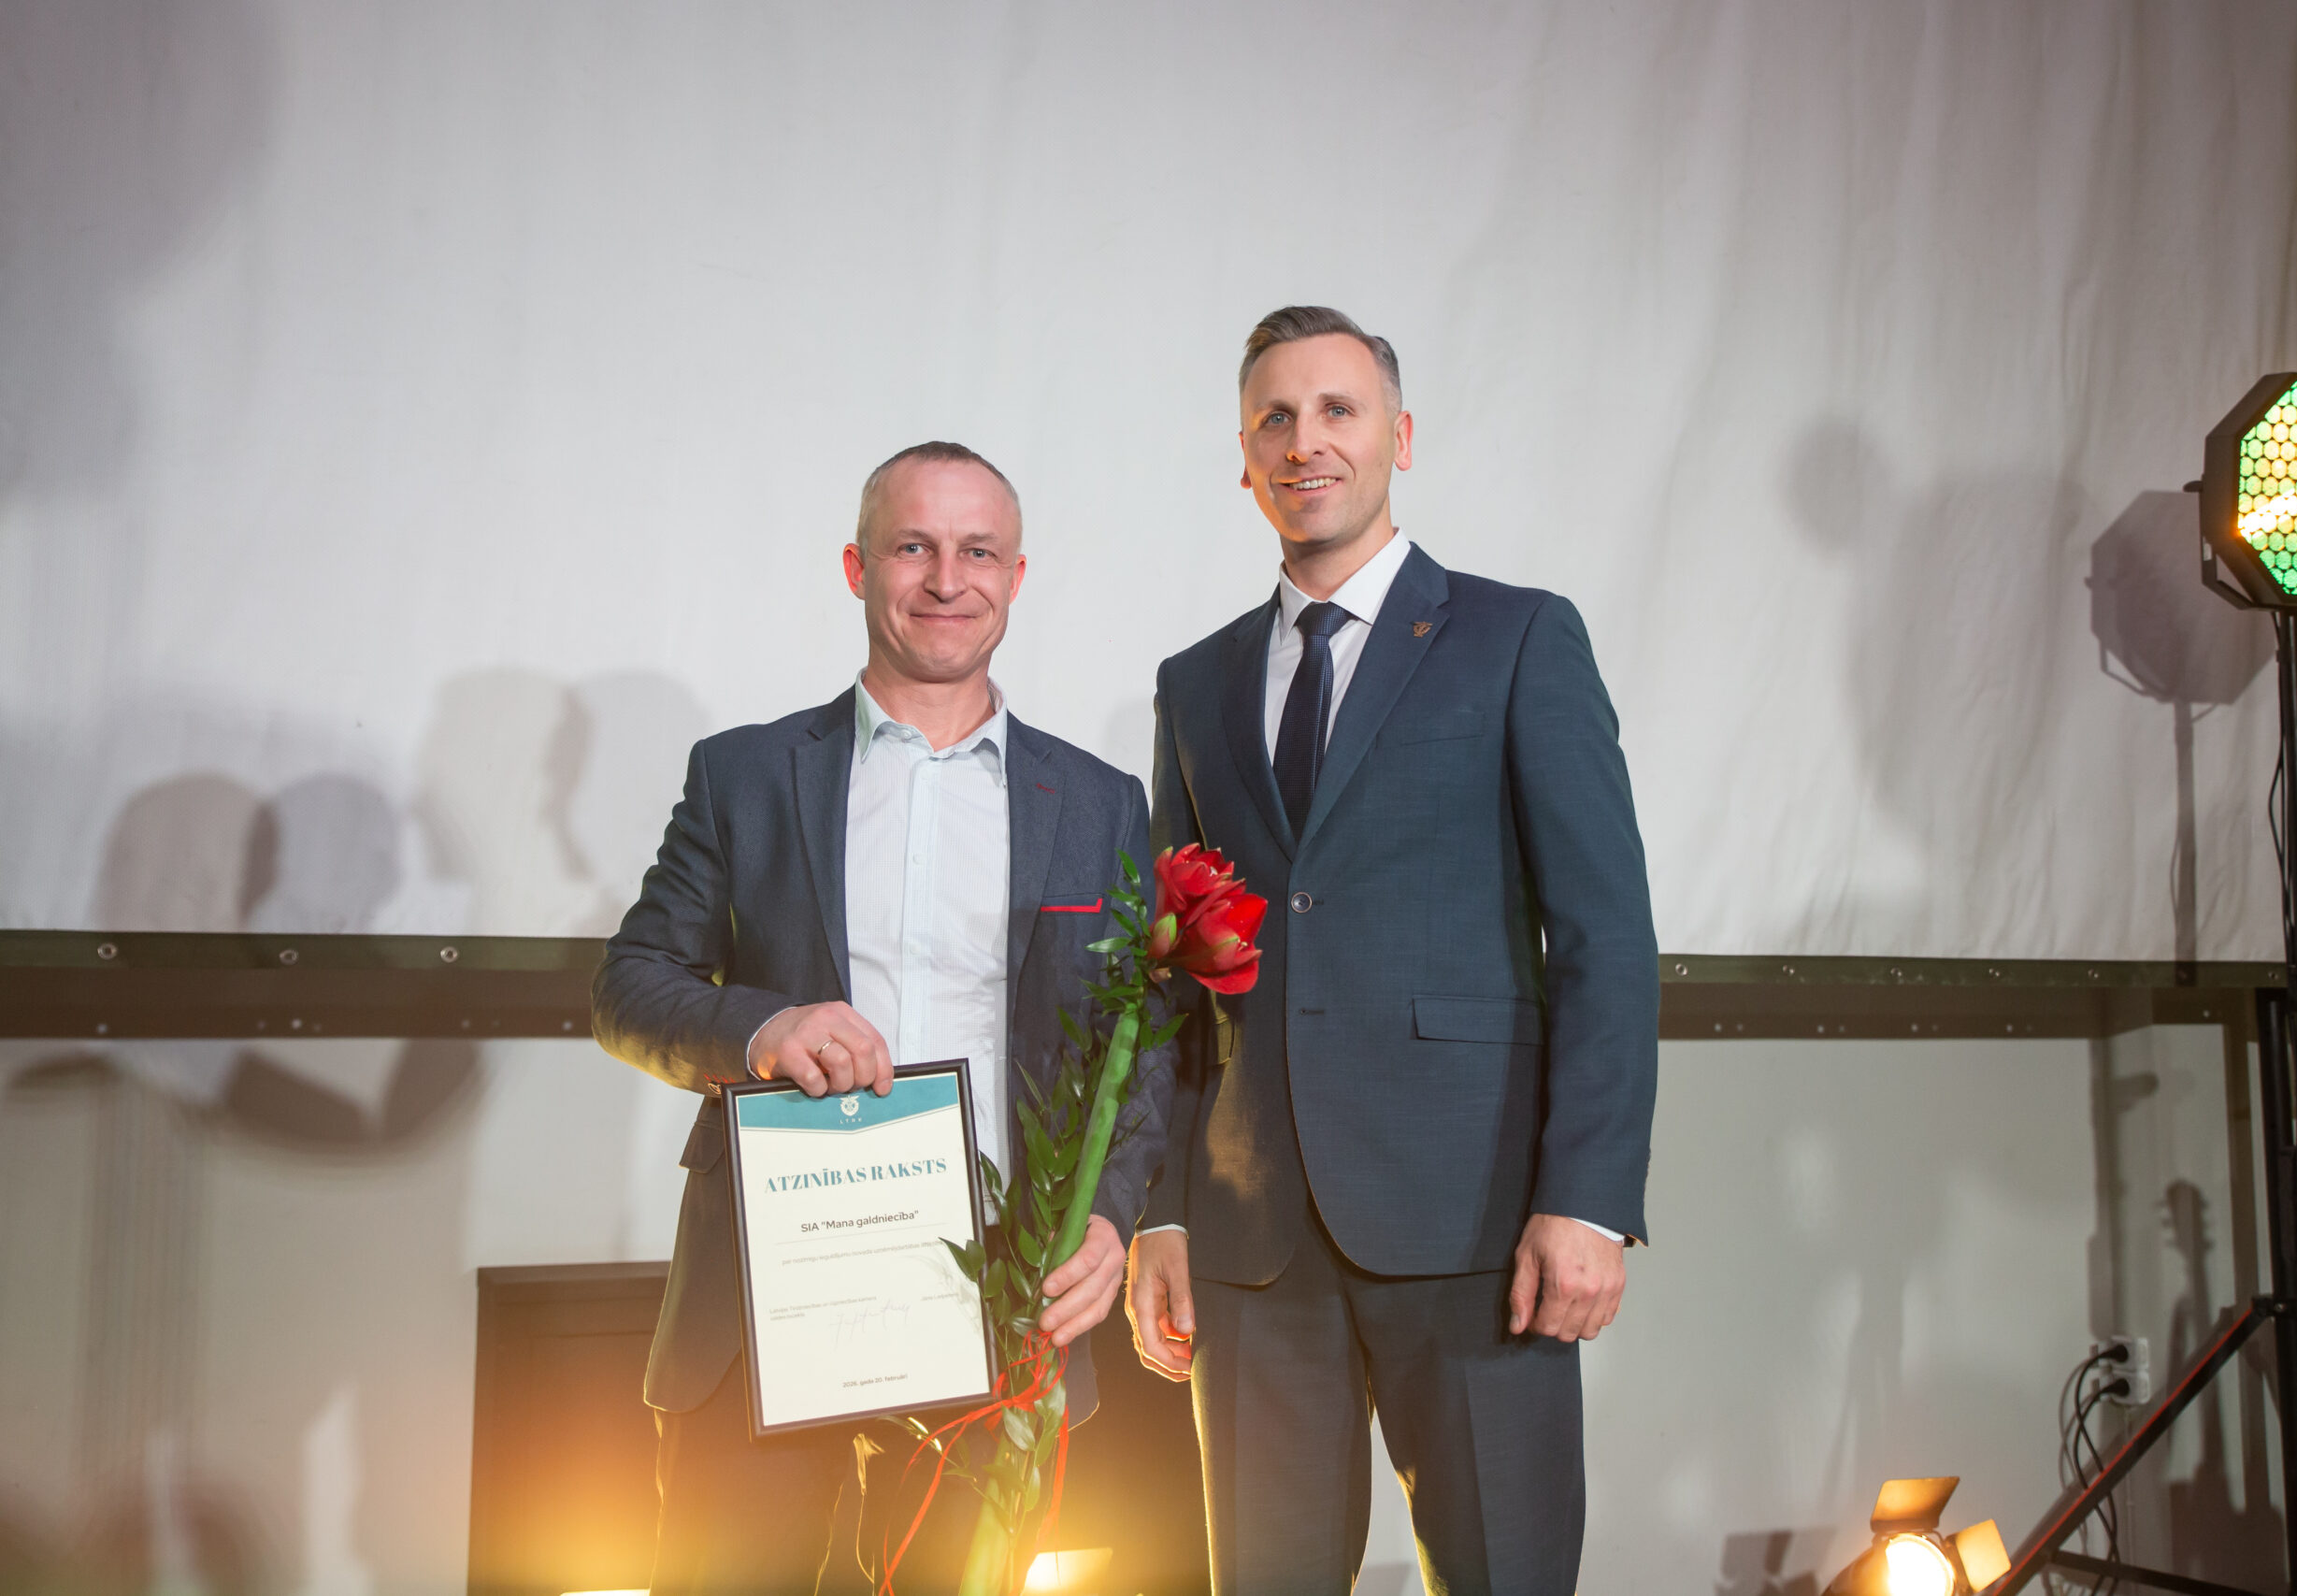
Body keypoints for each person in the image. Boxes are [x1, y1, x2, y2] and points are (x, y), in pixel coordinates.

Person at [1127, 308, 1658, 1595]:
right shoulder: (1194, 683)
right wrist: (1159, 1209)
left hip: (1475, 1223)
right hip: (1251, 1238)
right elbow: (1171, 976)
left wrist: (1588, 1196)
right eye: (1274, 418)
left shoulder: (1518, 637)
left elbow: (1604, 937)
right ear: (1243, 458)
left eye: (1337, 410)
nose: (1303, 441)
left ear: (1399, 438)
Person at [593, 440, 1173, 1594]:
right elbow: (630, 986)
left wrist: (1112, 1216)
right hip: (770, 1293)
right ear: (858, 567)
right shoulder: (745, 775)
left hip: (997, 1295)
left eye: (978, 552)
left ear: (1015, 577)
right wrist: (761, 1030)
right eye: (914, 546)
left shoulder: (1098, 802)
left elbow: (1141, 1045)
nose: (946, 579)